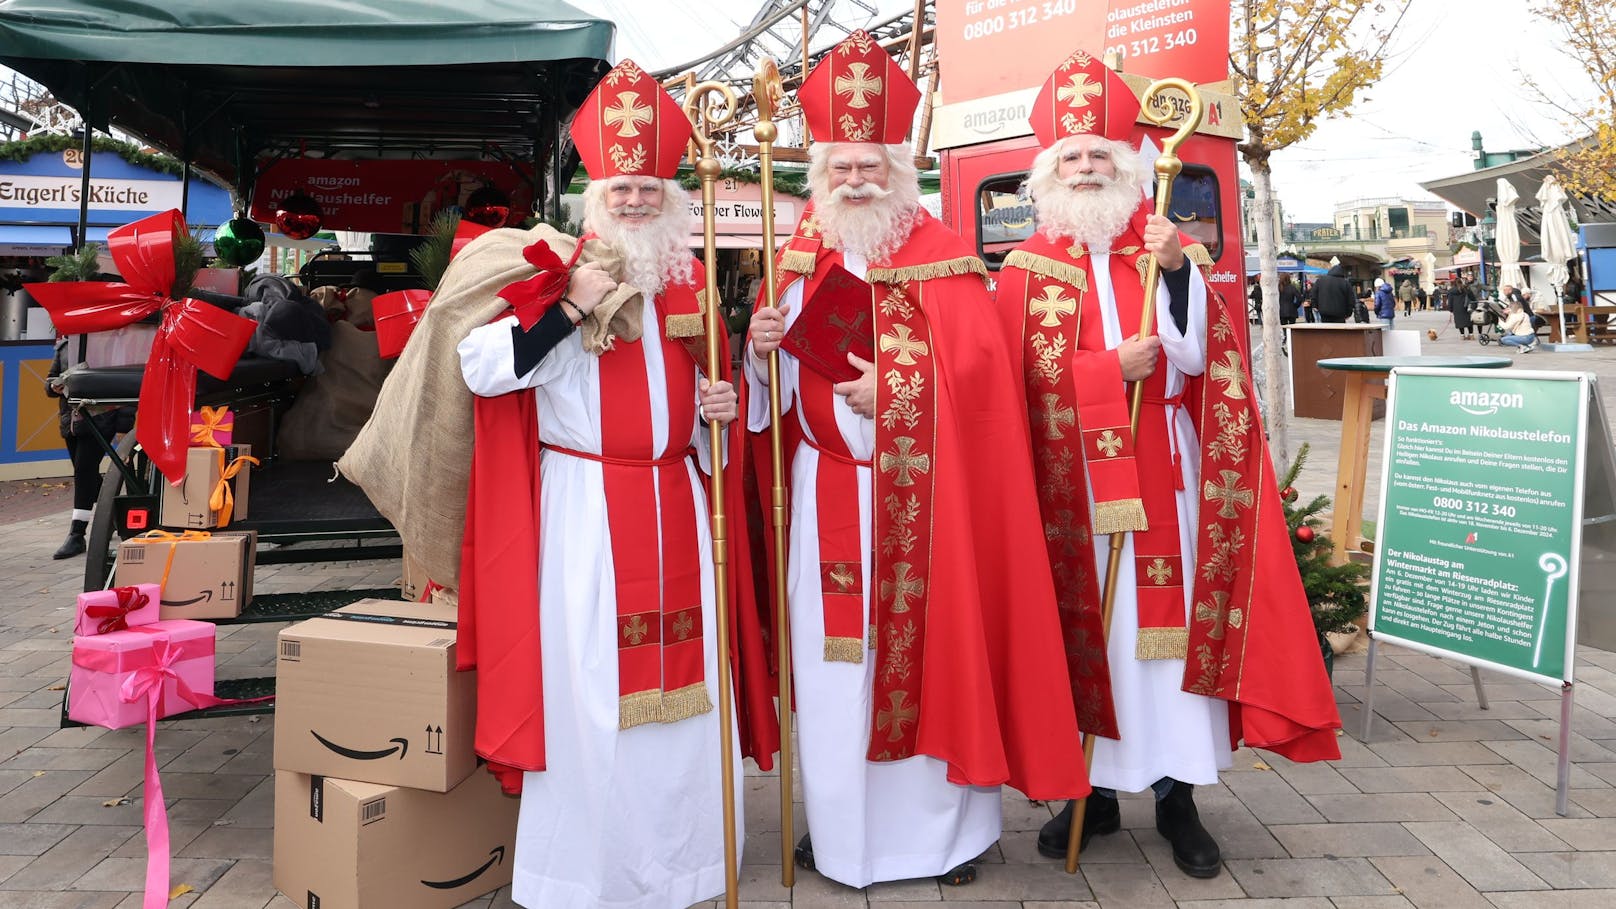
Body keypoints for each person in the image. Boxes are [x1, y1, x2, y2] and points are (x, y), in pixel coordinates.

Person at [746, 30, 1087, 890]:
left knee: (934, 661)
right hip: (826, 487)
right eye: (840, 169)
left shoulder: (944, 258)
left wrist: (892, 395)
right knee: (834, 678)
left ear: (900, 171)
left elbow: (981, 382)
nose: (855, 181)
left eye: (871, 167)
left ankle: (939, 843)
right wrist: (756, 351)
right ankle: (840, 834)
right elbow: (765, 391)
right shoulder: (792, 266)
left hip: (927, 505)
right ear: (818, 178)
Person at [993, 50, 1342, 880]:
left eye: (1100, 155)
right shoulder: (1023, 271)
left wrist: (1179, 270)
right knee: (1096, 639)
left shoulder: (1167, 254)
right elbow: (1013, 388)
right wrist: (1105, 373)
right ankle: (1095, 794)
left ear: (1128, 168)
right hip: (1071, 488)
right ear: (1048, 173)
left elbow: (1200, 359)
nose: (1086, 167)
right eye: (1072, 156)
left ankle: (1179, 795)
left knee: (1166, 639)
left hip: (1165, 480)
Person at [455, 60, 775, 909]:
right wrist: (565, 307)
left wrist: (721, 405)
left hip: (678, 500)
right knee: (591, 693)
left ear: (669, 195)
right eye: (621, 187)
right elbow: (481, 369)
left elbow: (718, 409)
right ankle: (585, 879)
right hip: (586, 518)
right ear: (596, 194)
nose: (634, 201)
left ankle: (688, 868)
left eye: (647, 188)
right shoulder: (556, 270)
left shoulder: (691, 284)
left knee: (689, 700)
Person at [43, 337, 135, 559]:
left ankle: (77, 534)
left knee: (83, 472)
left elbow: (124, 385)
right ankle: (113, 516)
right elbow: (48, 383)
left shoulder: (107, 344)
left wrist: (124, 424)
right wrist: (53, 386)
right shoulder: (64, 347)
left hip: (101, 418)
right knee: (87, 474)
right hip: (71, 422)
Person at [1310, 259, 1355, 323]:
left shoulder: (1321, 281)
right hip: (1340, 313)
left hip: (1324, 312)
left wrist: (1315, 305)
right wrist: (1349, 313)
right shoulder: (1345, 283)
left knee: (1327, 330)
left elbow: (1313, 293)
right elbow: (1351, 299)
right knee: (1339, 331)